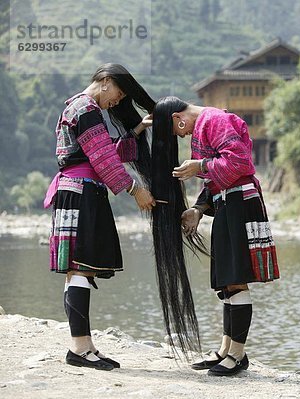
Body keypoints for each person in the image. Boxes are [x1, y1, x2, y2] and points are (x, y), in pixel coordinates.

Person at [151, 96, 280, 376]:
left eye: (176, 131)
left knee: (235, 278)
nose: (181, 135)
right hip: (227, 203)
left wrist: (200, 166)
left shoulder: (215, 120)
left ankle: (238, 354)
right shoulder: (204, 126)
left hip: (239, 203)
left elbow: (239, 163)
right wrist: (198, 209)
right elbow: (216, 179)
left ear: (178, 118)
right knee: (226, 281)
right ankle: (226, 349)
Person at [44, 63, 156, 371]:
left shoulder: (84, 109)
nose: (118, 101)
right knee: (80, 269)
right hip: (81, 193)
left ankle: (85, 346)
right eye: (120, 94)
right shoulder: (85, 108)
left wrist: (138, 128)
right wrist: (136, 190)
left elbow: (103, 151)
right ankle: (80, 348)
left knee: (81, 270)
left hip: (80, 191)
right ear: (105, 81)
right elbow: (103, 158)